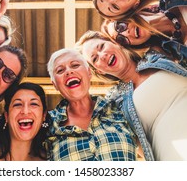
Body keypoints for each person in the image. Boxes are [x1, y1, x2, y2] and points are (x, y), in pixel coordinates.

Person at [75, 30, 187, 160]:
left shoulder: (157, 53)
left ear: (115, 43)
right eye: (95, 58)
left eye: (102, 47)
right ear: (99, 70)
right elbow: (136, 147)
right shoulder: (113, 104)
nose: (103, 55)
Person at [45, 48, 138, 161]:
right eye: (60, 70)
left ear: (89, 72)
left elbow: (149, 151)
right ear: (55, 84)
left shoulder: (120, 108)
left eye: (75, 65)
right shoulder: (47, 124)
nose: (69, 71)